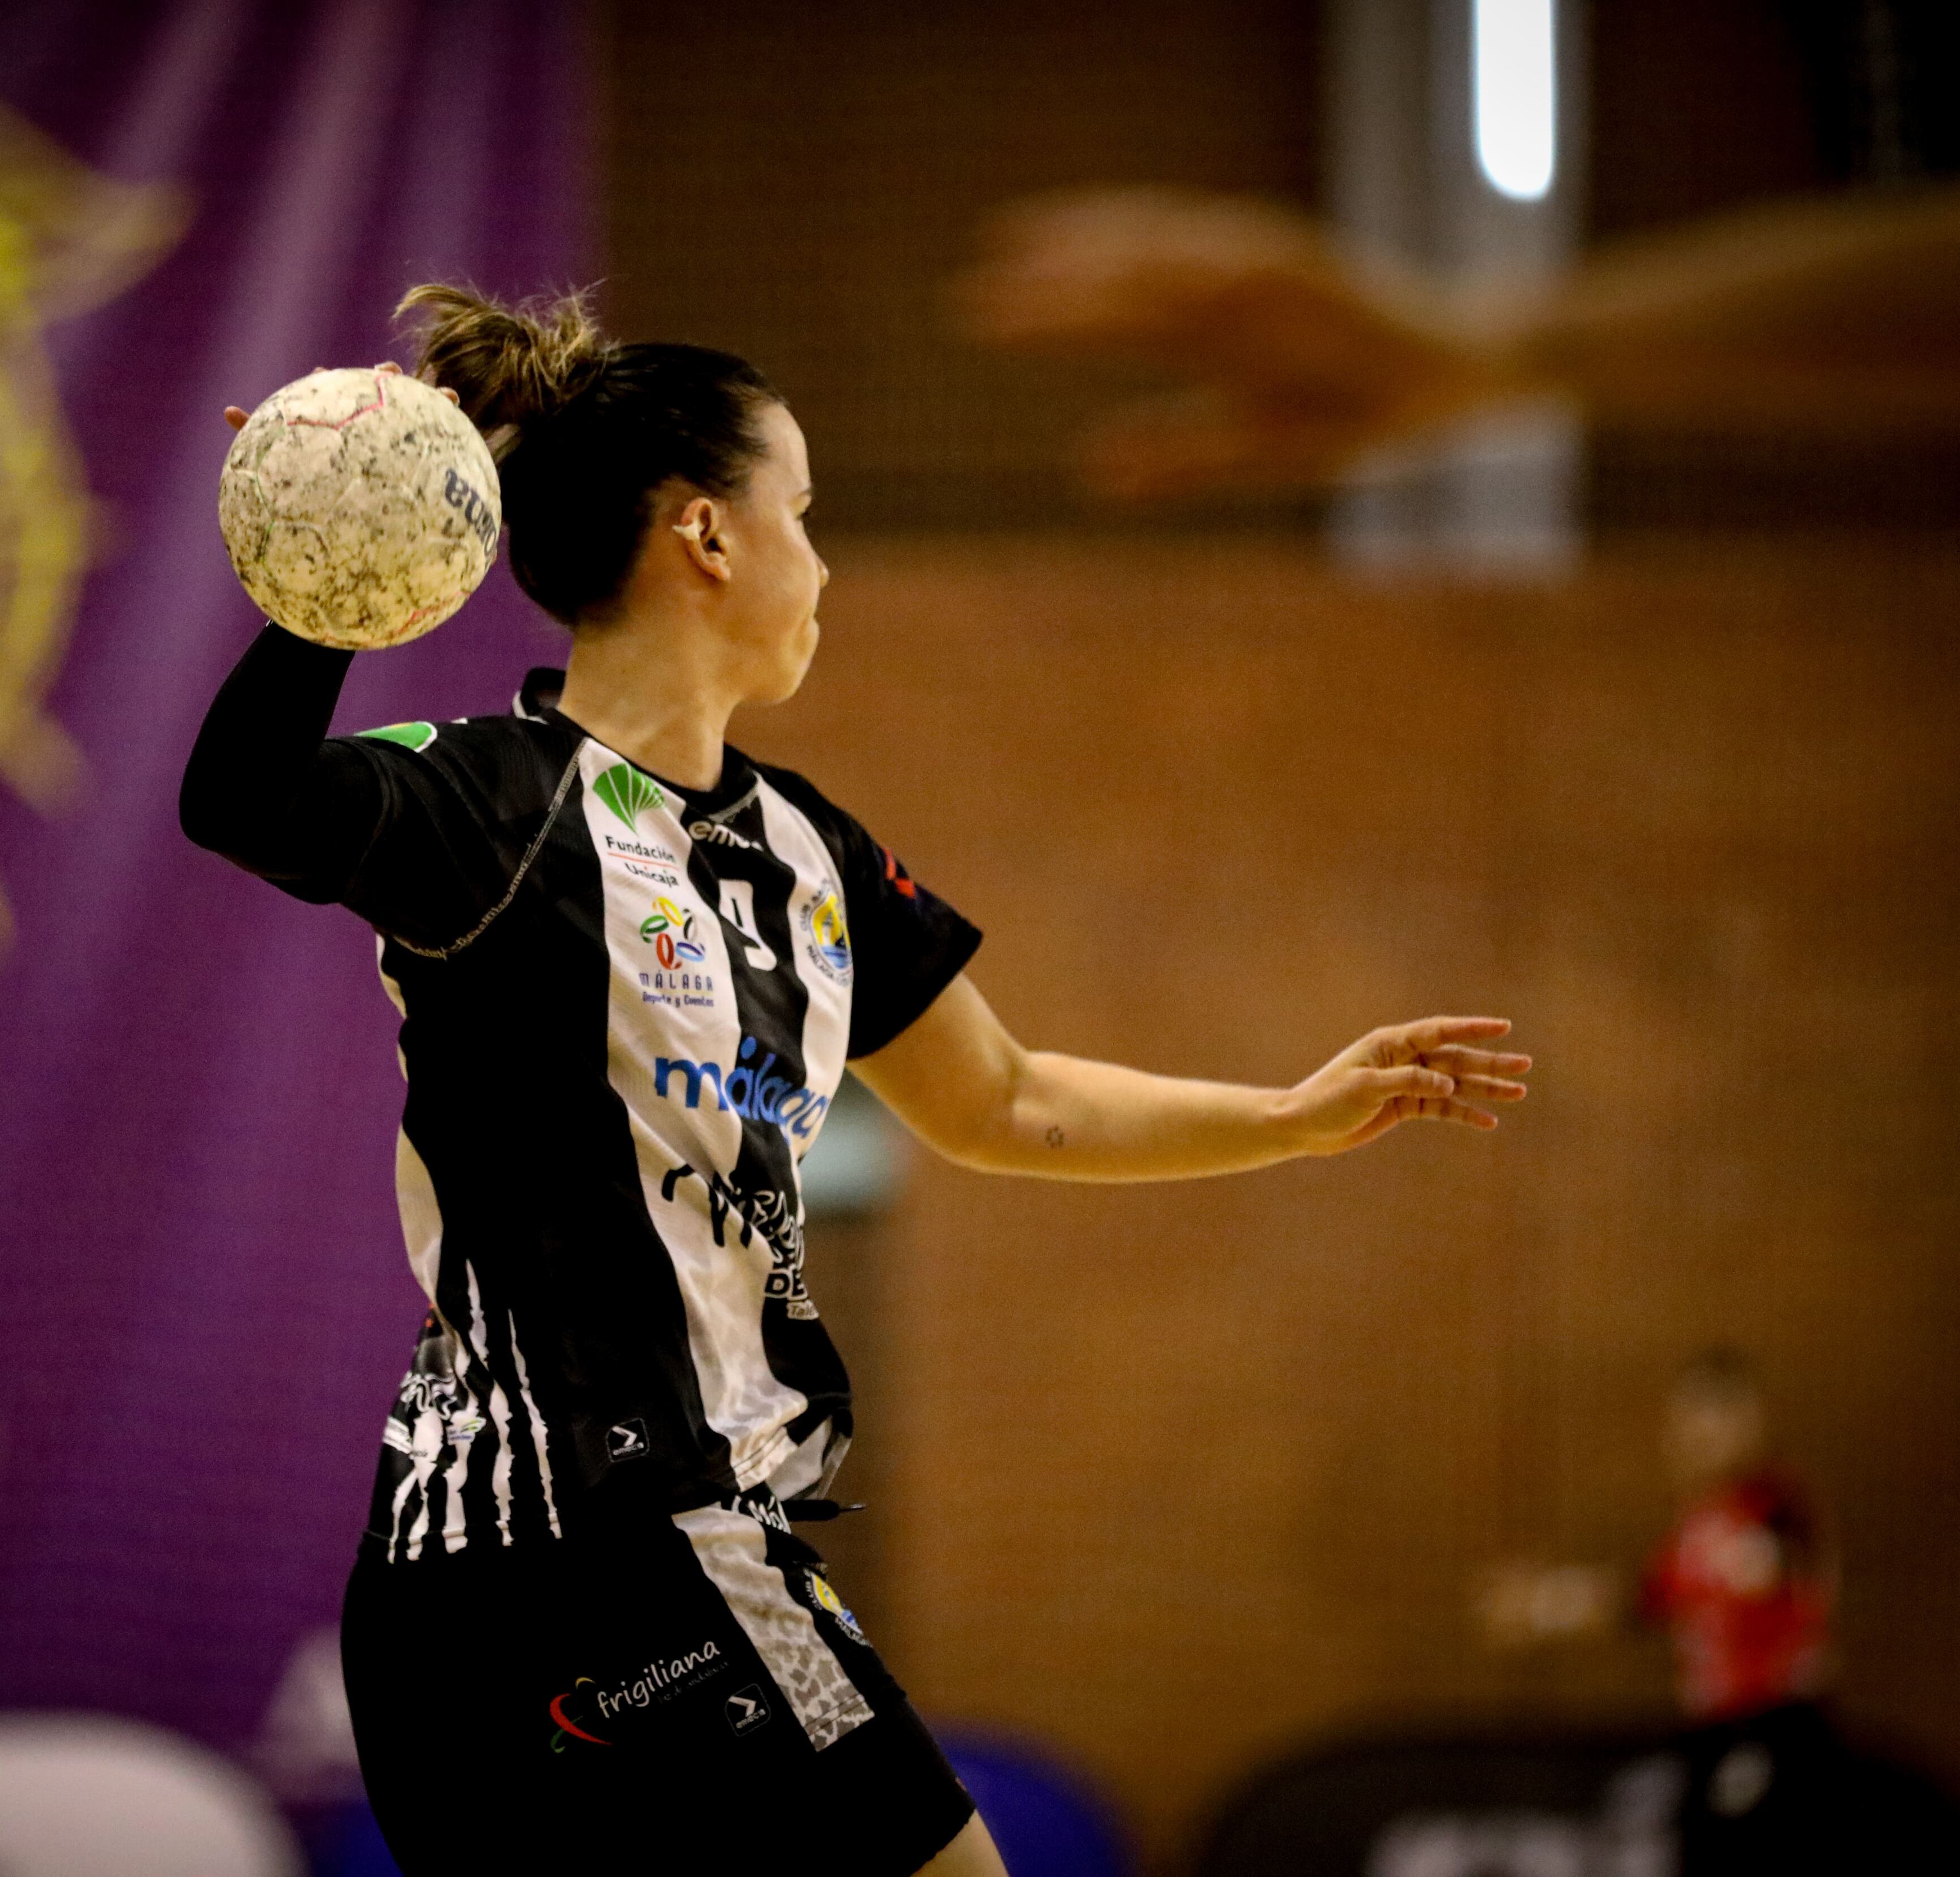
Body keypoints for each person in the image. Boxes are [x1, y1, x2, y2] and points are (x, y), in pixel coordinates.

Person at [180, 286, 1532, 1877]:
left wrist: (1293, 1119)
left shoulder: (810, 854)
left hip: (544, 1612)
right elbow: (243, 797)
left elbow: (1006, 1100)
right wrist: (345, 555)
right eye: (802, 512)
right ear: (708, 536)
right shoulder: (490, 802)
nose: (821, 561)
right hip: (599, 1551)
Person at [1641, 1349, 1847, 1870]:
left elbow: (1787, 1568)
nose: (1699, 1433)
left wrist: (1762, 1566)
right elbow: (1650, 1598)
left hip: (1772, 1727)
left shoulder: (1775, 1505)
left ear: (1751, 1422)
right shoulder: (1697, 1522)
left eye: (1718, 1414)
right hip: (1716, 1727)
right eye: (1689, 1417)